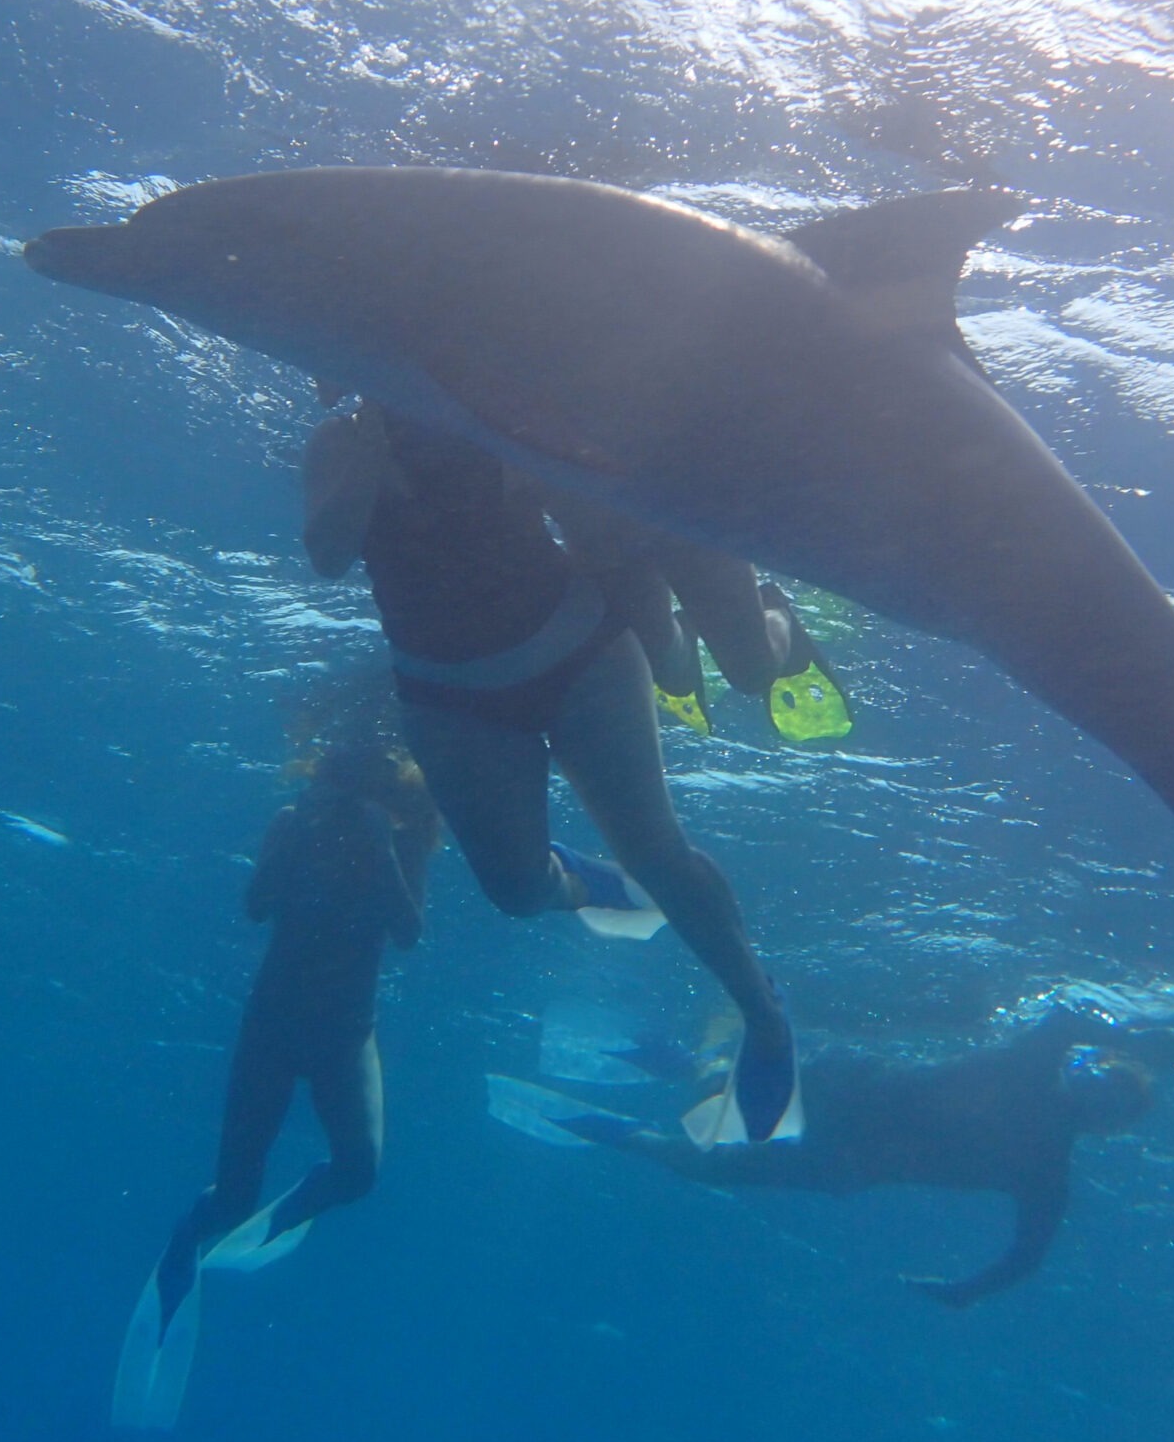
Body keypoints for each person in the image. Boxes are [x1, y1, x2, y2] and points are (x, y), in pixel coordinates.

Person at [303, 398, 801, 1149]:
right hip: (449, 697)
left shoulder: (478, 401)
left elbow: (584, 504)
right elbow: (327, 554)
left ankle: (765, 1023)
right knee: (515, 891)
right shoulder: (336, 444)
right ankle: (580, 880)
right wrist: (369, 461)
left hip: (578, 653)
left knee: (656, 851)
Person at [112, 744, 439, 1430]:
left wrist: (379, 845)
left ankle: (255, 1230)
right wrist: (293, 838)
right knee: (233, 1195)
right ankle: (186, 1254)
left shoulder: (403, 835)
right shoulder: (296, 821)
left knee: (359, 1171)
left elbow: (408, 932)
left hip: (346, 1031)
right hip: (274, 1024)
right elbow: (256, 905)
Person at [490, 1006, 1174, 1307]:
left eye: (1105, 1100)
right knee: (708, 1097)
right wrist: (1141, 1040)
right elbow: (1066, 1018)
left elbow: (1026, 1258)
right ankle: (682, 1067)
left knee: (698, 1157)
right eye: (1099, 1078)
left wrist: (964, 1292)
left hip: (841, 1157)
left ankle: (610, 1125)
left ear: (1103, 1127)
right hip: (845, 1096)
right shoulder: (1038, 1087)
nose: (1089, 1093)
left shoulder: (1046, 1166)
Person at [546, 491, 853, 744]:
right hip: (605, 523)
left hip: (685, 517)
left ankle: (775, 611)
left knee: (752, 675)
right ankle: (686, 637)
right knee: (651, 660)